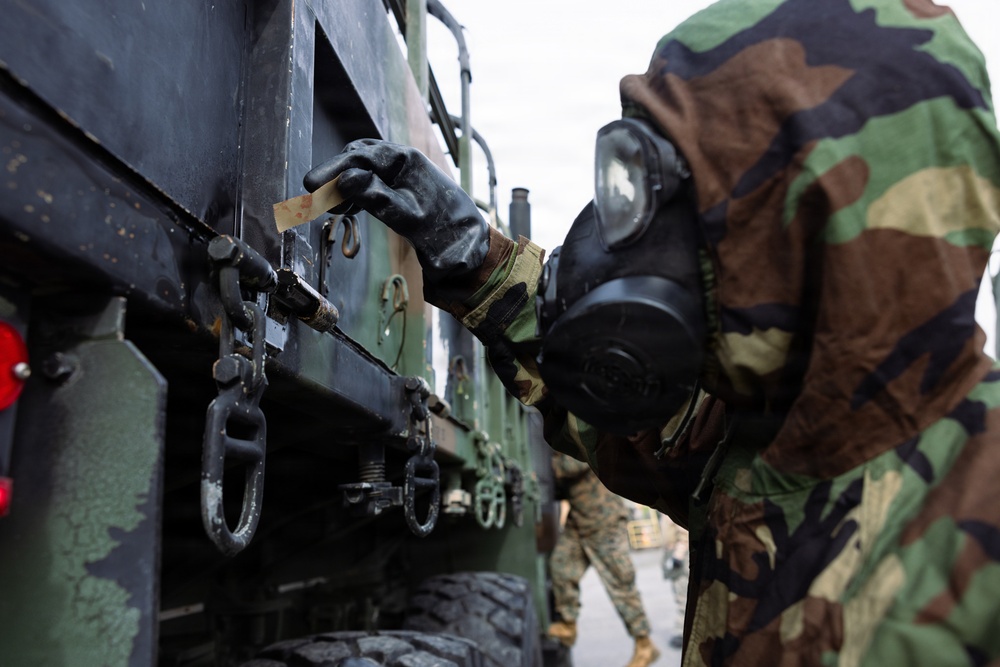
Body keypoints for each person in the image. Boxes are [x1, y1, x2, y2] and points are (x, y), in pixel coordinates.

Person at [303, 0, 1000, 663]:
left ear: (820, 217)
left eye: (704, 206)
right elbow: (607, 397)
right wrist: (471, 252)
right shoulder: (752, 440)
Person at [548, 451, 660, 667]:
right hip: (579, 521)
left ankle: (644, 644)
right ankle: (568, 624)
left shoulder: (574, 433)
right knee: (560, 566)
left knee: (620, 582)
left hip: (604, 519)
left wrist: (545, 469)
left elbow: (571, 465)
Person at [659, 516, 688, 650]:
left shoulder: (672, 506)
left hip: (680, 556)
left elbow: (684, 533)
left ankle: (681, 632)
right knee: (680, 594)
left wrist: (678, 554)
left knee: (683, 595)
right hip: (674, 554)